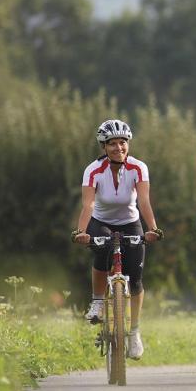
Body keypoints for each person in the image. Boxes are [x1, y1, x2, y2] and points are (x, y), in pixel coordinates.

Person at [73, 119, 164, 359]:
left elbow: (143, 201)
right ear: (103, 147)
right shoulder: (93, 170)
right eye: (112, 144)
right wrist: (80, 231)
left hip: (130, 222)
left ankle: (134, 332)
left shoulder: (138, 168)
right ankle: (97, 301)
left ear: (128, 144)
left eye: (122, 143)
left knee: (135, 279)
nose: (118, 148)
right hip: (101, 222)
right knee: (101, 249)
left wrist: (153, 228)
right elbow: (88, 204)